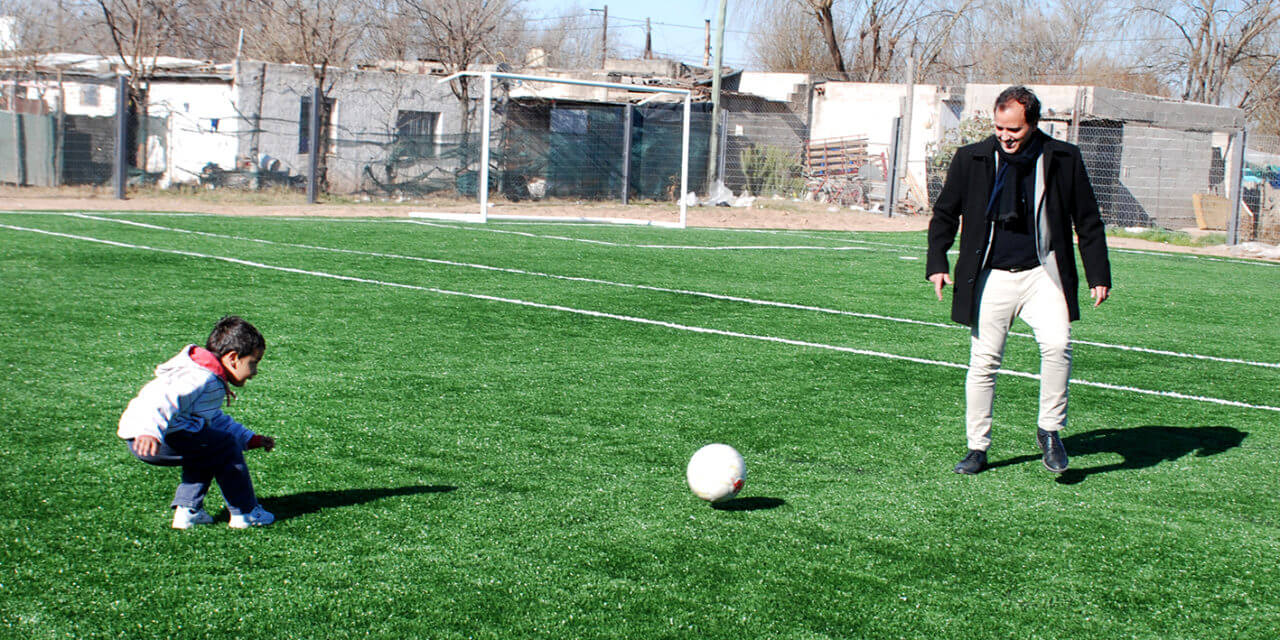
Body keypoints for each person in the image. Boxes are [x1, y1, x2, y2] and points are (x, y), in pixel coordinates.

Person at [926, 86, 1112, 476]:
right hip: (990, 276)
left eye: (1014, 129)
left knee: (1059, 344)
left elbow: (1088, 219)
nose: (1006, 136)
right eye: (999, 128)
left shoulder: (1063, 158)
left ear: (1033, 123)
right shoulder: (971, 158)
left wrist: (1098, 273)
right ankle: (977, 447)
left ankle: (1050, 431)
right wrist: (937, 262)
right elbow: (944, 214)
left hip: (1042, 275)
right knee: (984, 364)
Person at [118, 316, 277, 528]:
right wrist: (149, 431)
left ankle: (188, 511)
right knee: (223, 445)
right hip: (154, 437)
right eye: (253, 363)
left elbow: (213, 421)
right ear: (233, 358)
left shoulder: (209, 375)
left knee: (209, 446)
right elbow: (158, 398)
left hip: (156, 435)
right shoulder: (199, 377)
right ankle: (245, 512)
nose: (255, 372)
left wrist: (251, 439)